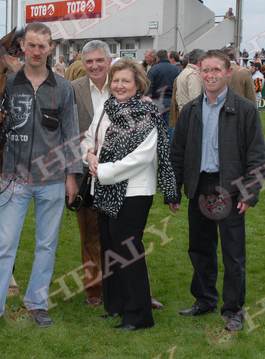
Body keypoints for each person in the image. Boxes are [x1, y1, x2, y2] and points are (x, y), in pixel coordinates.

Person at [0, 22, 81, 334]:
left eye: (42, 46)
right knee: (4, 244)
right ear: (22, 46)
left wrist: (72, 176)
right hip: (14, 178)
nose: (36, 52)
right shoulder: (7, 83)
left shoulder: (63, 88)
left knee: (46, 245)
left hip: (52, 179)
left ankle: (37, 303)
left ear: (51, 49)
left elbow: (71, 134)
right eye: (31, 45)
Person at [171, 50, 265, 332]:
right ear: (200, 73)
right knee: (200, 248)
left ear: (228, 73)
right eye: (206, 69)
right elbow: (177, 154)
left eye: (216, 70)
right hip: (199, 186)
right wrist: (174, 191)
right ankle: (205, 300)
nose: (211, 74)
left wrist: (249, 193)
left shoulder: (245, 109)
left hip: (232, 188)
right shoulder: (190, 110)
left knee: (233, 252)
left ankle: (233, 309)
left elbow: (256, 155)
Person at [81, 57, 179, 331]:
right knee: (110, 249)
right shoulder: (105, 106)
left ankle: (138, 315)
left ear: (138, 85)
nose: (120, 85)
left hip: (134, 192)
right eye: (116, 81)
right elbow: (89, 137)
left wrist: (104, 171)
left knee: (127, 250)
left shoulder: (146, 112)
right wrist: (88, 156)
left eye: (126, 81)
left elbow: (142, 157)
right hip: (103, 188)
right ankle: (117, 306)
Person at [71, 40, 111, 308]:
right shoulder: (73, 90)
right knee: (90, 234)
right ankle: (94, 288)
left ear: (109, 60)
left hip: (123, 172)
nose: (94, 65)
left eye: (99, 60)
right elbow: (68, 133)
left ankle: (127, 284)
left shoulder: (123, 84)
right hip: (86, 174)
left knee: (125, 233)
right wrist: (72, 174)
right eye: (89, 61)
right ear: (82, 63)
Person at [147, 49, 180, 143]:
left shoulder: (154, 69)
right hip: (171, 100)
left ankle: (157, 148)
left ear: (157, 58)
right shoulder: (175, 69)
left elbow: (150, 85)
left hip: (157, 100)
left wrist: (148, 99)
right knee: (170, 127)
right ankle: (169, 150)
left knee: (155, 127)